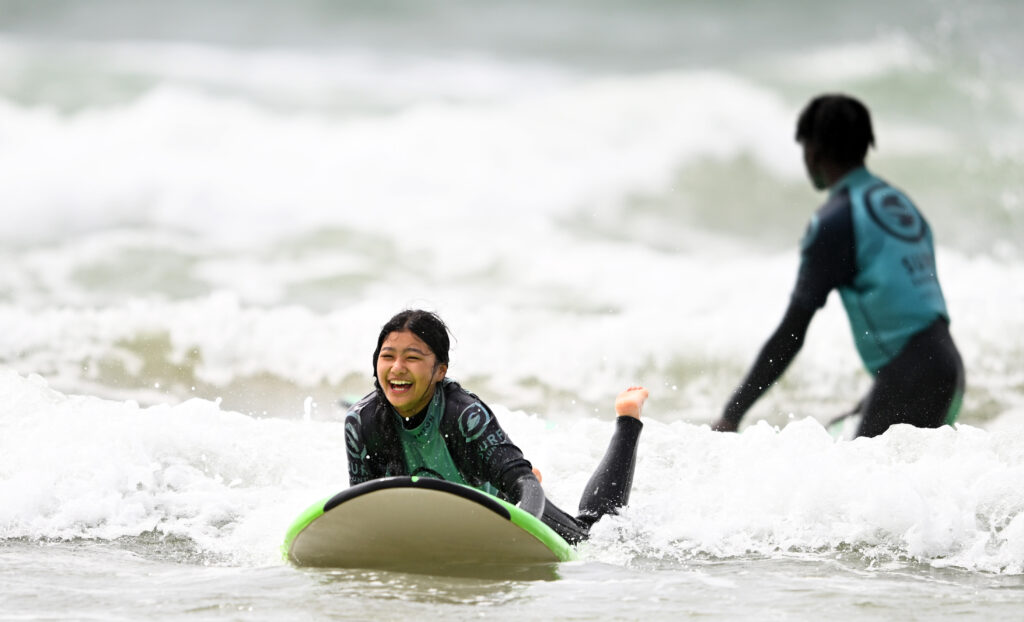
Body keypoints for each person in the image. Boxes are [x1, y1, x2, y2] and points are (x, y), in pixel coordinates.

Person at [711, 93, 965, 439]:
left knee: (871, 489)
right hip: (948, 368)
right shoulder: (900, 204)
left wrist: (731, 414)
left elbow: (791, 332)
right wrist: (875, 400)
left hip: (911, 376)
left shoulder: (836, 220)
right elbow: (915, 320)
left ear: (813, 151)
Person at [344, 309, 647, 544]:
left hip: (501, 508)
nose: (397, 368)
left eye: (412, 357)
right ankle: (502, 470)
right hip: (435, 519)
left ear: (440, 370)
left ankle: (627, 419)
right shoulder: (361, 423)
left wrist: (518, 516)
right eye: (387, 356)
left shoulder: (465, 416)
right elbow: (363, 503)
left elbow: (525, 487)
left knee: (592, 534)